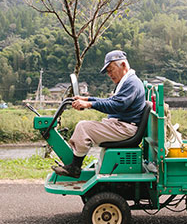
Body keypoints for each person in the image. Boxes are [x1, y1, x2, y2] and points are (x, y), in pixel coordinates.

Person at [52, 50, 146, 178]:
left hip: (126, 128)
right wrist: (88, 99)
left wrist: (89, 105)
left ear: (123, 65)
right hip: (122, 125)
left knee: (83, 127)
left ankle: (75, 168)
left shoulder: (131, 83)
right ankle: (75, 164)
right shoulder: (126, 82)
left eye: (111, 70)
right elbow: (111, 101)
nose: (109, 74)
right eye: (107, 71)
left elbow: (117, 105)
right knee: (85, 126)